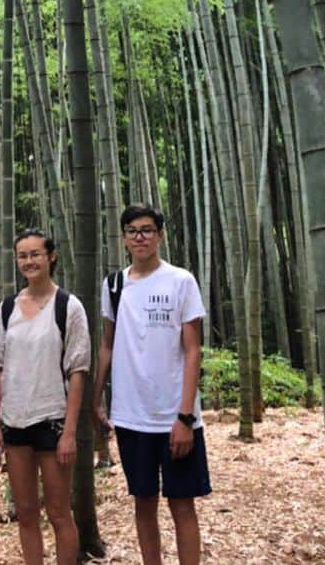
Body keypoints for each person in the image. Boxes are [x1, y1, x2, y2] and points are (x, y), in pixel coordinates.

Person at [92, 204, 210, 565]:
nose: (139, 237)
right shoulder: (113, 285)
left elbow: (193, 350)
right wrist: (95, 400)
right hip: (130, 415)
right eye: (132, 231)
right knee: (143, 501)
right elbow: (108, 345)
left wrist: (185, 417)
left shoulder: (180, 281)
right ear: (124, 238)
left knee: (181, 503)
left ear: (160, 234)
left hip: (175, 413)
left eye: (146, 230)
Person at [0, 228, 90, 565]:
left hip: (52, 419)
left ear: (51, 257)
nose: (29, 261)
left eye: (36, 254)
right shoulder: (7, 308)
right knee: (27, 512)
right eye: (22, 255)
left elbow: (78, 371)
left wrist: (70, 432)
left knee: (60, 513)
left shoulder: (68, 306)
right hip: (15, 420)